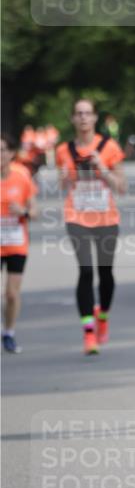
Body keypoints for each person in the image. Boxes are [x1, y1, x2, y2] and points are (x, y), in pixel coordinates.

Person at [55, 99, 126, 355]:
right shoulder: (64, 149)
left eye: (88, 113)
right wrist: (65, 176)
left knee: (105, 273)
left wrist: (102, 168)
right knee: (86, 271)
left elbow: (122, 186)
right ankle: (88, 334)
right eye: (79, 114)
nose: (83, 118)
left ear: (95, 118)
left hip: (106, 218)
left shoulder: (109, 146)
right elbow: (62, 186)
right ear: (73, 119)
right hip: (77, 217)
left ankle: (102, 316)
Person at [1, 134, 38, 353]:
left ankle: (9, 332)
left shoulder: (21, 176)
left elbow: (34, 212)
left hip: (16, 242)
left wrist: (22, 211)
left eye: (3, 150)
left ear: (11, 153)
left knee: (11, 294)